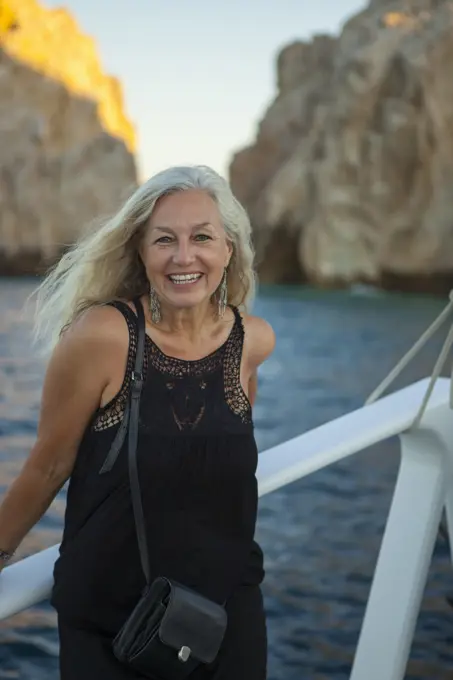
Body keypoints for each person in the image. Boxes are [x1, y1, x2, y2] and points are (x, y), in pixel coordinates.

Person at [0, 165, 275, 679]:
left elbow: (218, 463)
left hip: (224, 614)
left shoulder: (252, 342)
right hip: (111, 620)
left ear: (228, 250)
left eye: (202, 238)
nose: (184, 256)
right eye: (164, 240)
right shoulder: (103, 336)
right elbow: (48, 464)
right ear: (141, 252)